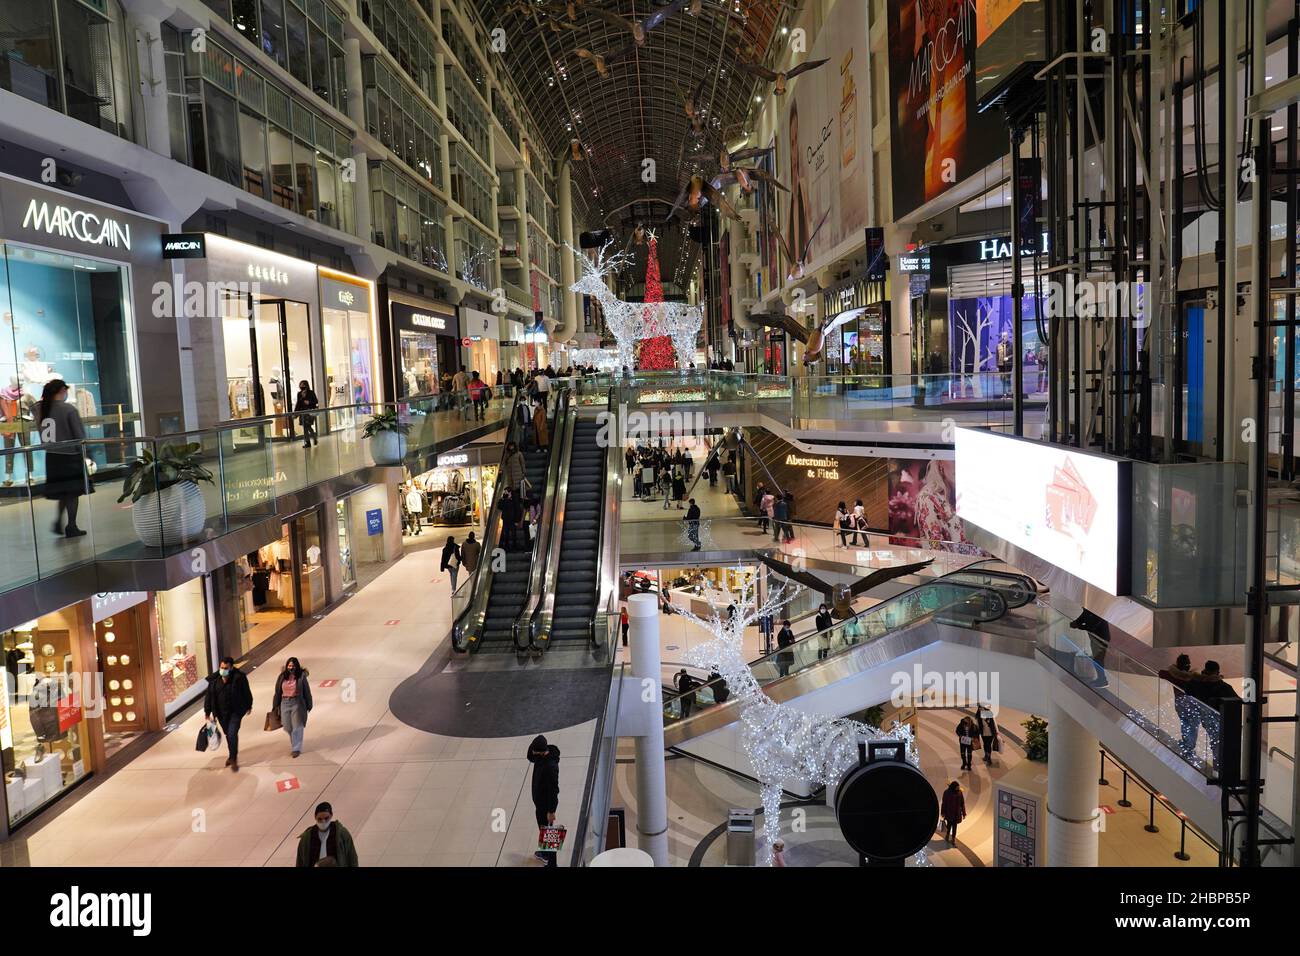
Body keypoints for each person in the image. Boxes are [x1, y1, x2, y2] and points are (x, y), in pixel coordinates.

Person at [35, 380, 90, 538]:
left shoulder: (39, 409)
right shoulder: (68, 409)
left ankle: (59, 521)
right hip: (70, 457)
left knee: (62, 492)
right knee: (72, 493)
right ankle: (71, 526)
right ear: (61, 391)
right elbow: (79, 436)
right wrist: (87, 453)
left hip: (51, 457)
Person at [203, 656, 253, 771]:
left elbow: (246, 692)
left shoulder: (239, 678)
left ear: (231, 668)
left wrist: (249, 705)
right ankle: (231, 755)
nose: (223, 670)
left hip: (236, 712)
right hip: (221, 713)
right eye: (221, 667)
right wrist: (207, 711)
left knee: (231, 733)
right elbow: (209, 696)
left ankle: (233, 758)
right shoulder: (214, 680)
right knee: (228, 734)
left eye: (225, 668)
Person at [527, 735, 561, 867]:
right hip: (540, 803)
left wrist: (551, 811)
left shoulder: (550, 767)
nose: (532, 752)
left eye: (534, 750)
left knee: (549, 833)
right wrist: (535, 747)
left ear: (540, 751)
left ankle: (552, 863)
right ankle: (545, 853)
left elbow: (554, 790)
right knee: (544, 829)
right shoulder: (541, 757)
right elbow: (529, 756)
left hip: (546, 806)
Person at [1160, 654, 1201, 755]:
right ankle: (1189, 747)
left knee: (1185, 723)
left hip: (1179, 702)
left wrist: (1172, 671)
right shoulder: (1193, 677)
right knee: (1193, 725)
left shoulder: (1172, 675)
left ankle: (1186, 744)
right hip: (1191, 702)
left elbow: (1161, 673)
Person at [296, 801, 359, 867]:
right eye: (319, 819)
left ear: (331, 815)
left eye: (326, 818)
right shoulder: (307, 837)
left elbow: (352, 857)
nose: (323, 821)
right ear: (315, 817)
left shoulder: (342, 834)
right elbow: (300, 861)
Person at [272, 656, 313, 757]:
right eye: (289, 665)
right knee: (287, 727)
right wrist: (275, 706)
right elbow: (277, 692)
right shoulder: (282, 676)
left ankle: (296, 748)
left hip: (297, 703)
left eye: (293, 666)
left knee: (297, 726)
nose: (291, 667)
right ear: (286, 666)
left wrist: (309, 704)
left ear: (296, 666)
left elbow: (307, 691)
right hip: (284, 703)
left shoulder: (301, 677)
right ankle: (295, 743)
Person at [294, 380, 320, 447]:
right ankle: (308, 441)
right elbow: (298, 404)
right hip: (302, 413)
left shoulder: (311, 392)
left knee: (307, 426)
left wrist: (309, 402)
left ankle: (313, 438)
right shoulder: (299, 394)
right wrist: (295, 413)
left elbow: (316, 401)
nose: (301, 386)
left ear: (306, 385)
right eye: (300, 385)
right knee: (305, 427)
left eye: (303, 385)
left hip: (309, 412)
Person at [500, 487, 522, 551]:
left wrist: (517, 520)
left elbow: (517, 509)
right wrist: (502, 499)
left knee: (513, 533)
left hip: (512, 519)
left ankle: (514, 546)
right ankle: (506, 546)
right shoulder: (504, 499)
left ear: (509, 492)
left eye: (505, 491)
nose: (504, 493)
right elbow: (500, 507)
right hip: (505, 519)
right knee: (506, 533)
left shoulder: (514, 499)